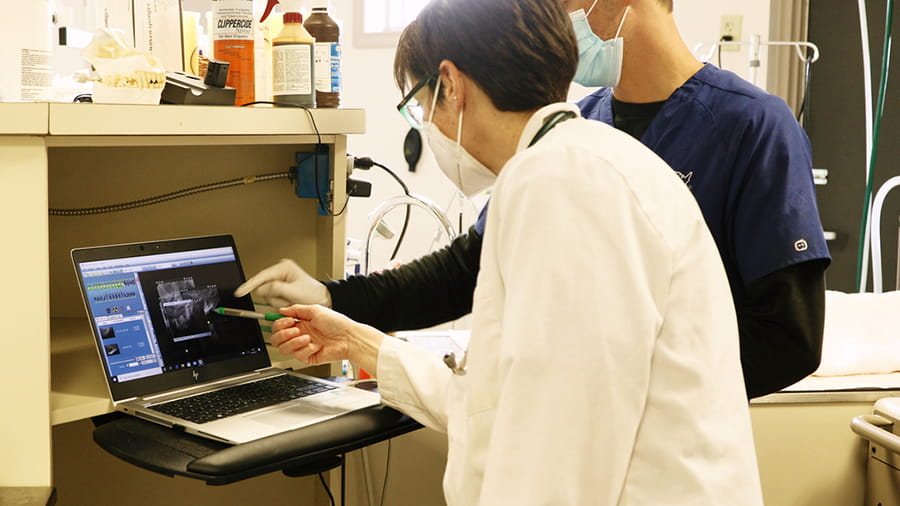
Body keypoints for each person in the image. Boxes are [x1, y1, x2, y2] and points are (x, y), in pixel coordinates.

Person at [267, 0, 764, 503]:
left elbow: (555, 456)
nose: (424, 123)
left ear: (451, 85)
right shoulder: (581, 160)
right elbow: (494, 405)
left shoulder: (561, 180)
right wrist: (359, 343)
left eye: (419, 103)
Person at [238, 0, 831, 399]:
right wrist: (335, 298)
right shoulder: (586, 124)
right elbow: (471, 265)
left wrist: (615, 387)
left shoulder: (751, 125)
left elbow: (788, 338)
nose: (555, 18)